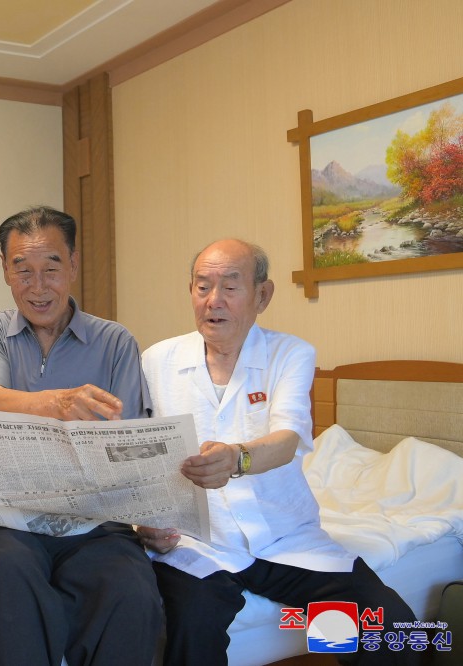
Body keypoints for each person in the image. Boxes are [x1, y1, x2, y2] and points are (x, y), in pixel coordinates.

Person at [136, 239, 418, 665]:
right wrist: (143, 525)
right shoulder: (157, 361)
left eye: (230, 287)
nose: (214, 301)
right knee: (192, 627)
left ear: (262, 296)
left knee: (388, 626)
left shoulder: (289, 354)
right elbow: (138, 456)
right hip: (198, 543)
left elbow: (288, 439)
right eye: (202, 287)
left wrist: (237, 458)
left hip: (284, 539)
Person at [0, 206, 161, 666]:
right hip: (8, 515)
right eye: (22, 271)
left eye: (50, 268)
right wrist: (59, 404)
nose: (38, 286)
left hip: (95, 519)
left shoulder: (115, 342)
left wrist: (152, 515)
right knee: (2, 576)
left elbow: (129, 440)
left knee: (131, 591)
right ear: (5, 271)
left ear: (73, 265)